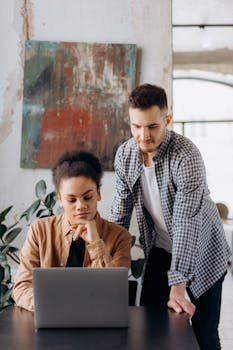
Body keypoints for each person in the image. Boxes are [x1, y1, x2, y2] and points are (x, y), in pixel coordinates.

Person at [109, 83, 231, 350]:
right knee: (151, 328)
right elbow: (119, 215)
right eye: (136, 127)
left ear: (167, 120)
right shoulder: (125, 155)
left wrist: (178, 285)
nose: (143, 136)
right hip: (162, 249)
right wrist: (106, 267)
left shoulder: (186, 156)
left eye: (152, 127)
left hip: (204, 252)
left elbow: (187, 224)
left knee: (204, 334)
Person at [13, 150, 131, 312]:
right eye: (71, 200)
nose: (80, 206)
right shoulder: (40, 231)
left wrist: (96, 243)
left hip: (98, 323)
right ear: (60, 199)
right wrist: (53, 306)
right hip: (51, 320)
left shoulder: (120, 237)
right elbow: (21, 286)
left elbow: (114, 293)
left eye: (87, 197)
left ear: (98, 194)